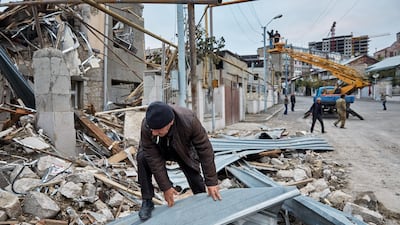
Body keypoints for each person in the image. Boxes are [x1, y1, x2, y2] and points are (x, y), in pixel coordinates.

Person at [136, 101, 222, 221]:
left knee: (193, 174)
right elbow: (153, 159)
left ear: (170, 122)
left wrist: (212, 181)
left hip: (183, 148)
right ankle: (147, 201)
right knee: (142, 157)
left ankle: (202, 198)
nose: (154, 133)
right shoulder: (147, 125)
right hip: (160, 149)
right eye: (152, 129)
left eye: (158, 130)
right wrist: (166, 187)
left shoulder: (189, 120)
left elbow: (205, 150)